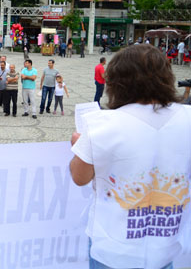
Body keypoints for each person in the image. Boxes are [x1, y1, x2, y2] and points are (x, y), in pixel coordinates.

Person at [69, 44, 191, 269]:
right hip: (166, 243)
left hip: (113, 247)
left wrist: (79, 147)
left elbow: (79, 177)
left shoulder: (102, 124)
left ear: (116, 82)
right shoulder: (187, 118)